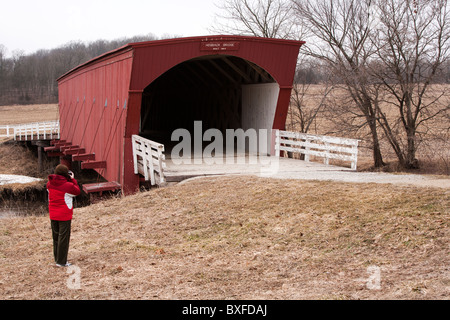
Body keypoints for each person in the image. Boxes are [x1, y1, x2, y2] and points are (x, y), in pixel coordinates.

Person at [47, 164, 81, 267]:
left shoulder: (49, 184)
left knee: (56, 237)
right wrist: (72, 180)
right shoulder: (68, 186)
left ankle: (57, 258)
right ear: (66, 174)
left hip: (53, 214)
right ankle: (62, 262)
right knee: (64, 238)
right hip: (64, 215)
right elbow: (77, 192)